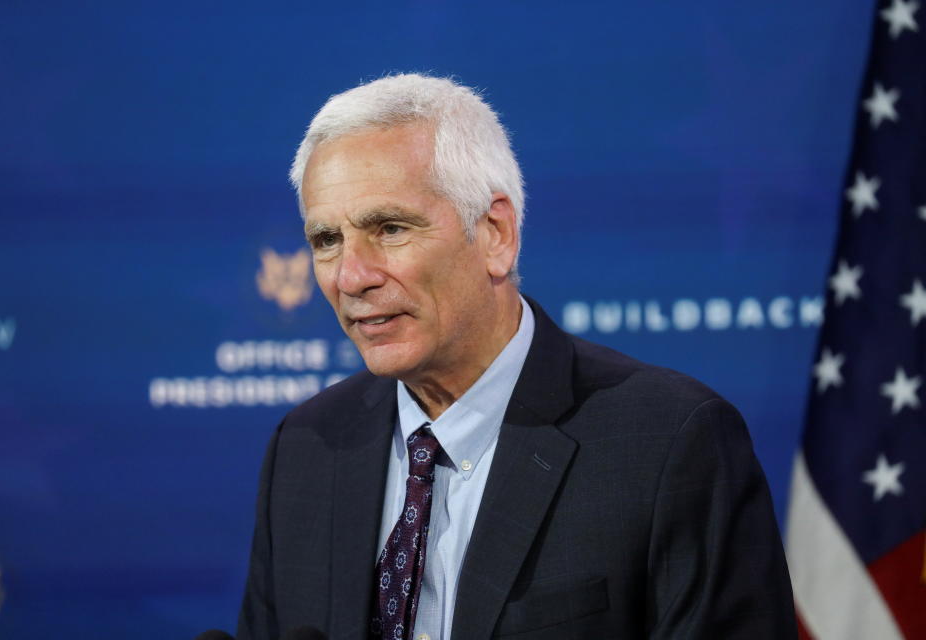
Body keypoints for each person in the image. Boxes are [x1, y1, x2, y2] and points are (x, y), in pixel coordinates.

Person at [237, 73, 797, 640]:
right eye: (326, 240)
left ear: (497, 234)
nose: (352, 276)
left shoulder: (670, 443)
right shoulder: (306, 447)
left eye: (390, 228)